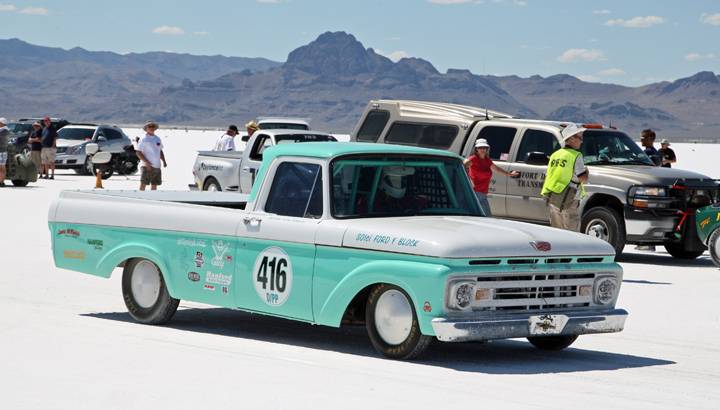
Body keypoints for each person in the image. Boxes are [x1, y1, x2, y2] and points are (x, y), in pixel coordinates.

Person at [541, 124, 589, 232]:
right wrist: (587, 172)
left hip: (554, 198)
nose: (582, 141)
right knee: (572, 234)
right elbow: (583, 179)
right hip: (569, 199)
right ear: (571, 139)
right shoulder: (576, 155)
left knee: (557, 233)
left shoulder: (555, 155)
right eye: (580, 138)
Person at [463, 138, 520, 216]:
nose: (482, 149)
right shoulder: (473, 158)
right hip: (475, 193)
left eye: (484, 148)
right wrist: (467, 177)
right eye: (480, 148)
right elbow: (464, 163)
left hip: (482, 193)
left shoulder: (487, 160)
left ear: (487, 149)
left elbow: (496, 169)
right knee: (486, 217)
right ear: (476, 149)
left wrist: (509, 174)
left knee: (484, 217)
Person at [136, 121, 167, 191]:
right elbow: (138, 152)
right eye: (149, 126)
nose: (151, 128)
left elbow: (160, 150)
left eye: (153, 126)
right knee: (144, 183)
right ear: (146, 128)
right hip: (147, 166)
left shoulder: (157, 138)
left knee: (154, 184)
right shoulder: (144, 139)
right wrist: (147, 163)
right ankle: (140, 198)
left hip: (157, 165)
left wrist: (164, 161)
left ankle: (153, 199)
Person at [0, 117, 8, 187]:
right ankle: (1, 182)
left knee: (1, 167)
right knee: (2, 167)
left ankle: (1, 182)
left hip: (1, 152)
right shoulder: (5, 130)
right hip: (3, 151)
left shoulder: (3, 130)